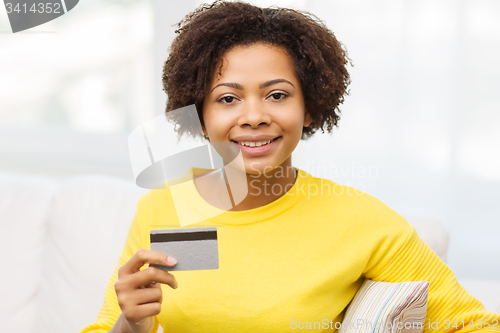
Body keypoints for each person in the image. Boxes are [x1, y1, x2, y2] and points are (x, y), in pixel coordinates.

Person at [81, 1, 500, 332]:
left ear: (310, 108)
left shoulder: (358, 220)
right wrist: (131, 326)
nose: (254, 116)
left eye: (277, 95)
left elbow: (474, 325)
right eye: (228, 99)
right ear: (201, 115)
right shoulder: (163, 208)